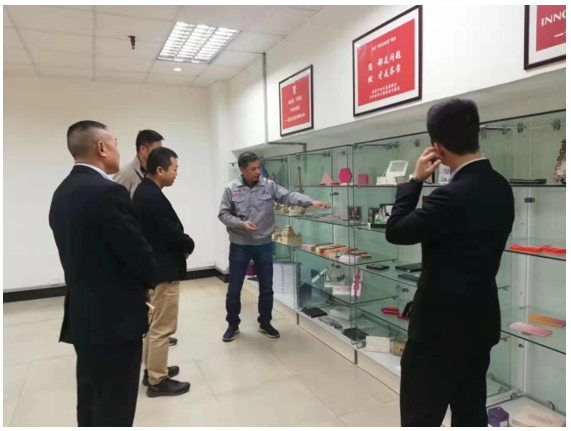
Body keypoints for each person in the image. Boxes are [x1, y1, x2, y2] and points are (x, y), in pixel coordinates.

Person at [385, 99, 515, 427]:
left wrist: (414, 181)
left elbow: (396, 231)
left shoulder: (449, 196)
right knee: (470, 412)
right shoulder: (501, 186)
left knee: (420, 417)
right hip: (480, 322)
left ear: (437, 148)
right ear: (476, 135)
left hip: (437, 332)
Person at [49, 121, 156, 427]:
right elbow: (136, 252)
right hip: (115, 321)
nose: (118, 150)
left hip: (83, 315)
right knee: (115, 405)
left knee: (91, 397)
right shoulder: (108, 192)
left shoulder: (62, 191)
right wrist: (149, 279)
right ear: (101, 148)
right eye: (116, 143)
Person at [218, 151, 331, 342]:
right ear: (242, 169)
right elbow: (223, 214)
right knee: (234, 288)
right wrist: (241, 224)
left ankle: (265, 322)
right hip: (240, 245)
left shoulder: (268, 185)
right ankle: (232, 324)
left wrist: (311, 201)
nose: (258, 171)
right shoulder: (231, 189)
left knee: (267, 287)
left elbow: (288, 196)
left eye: (258, 167)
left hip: (264, 244)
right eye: (253, 169)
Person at [132, 147, 195, 397]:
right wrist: (188, 244)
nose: (176, 173)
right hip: (163, 269)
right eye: (174, 169)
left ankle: (152, 370)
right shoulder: (150, 197)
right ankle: (158, 381)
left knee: (155, 323)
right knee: (163, 327)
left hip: (156, 266)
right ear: (160, 170)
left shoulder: (146, 191)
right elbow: (170, 231)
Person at [114, 130, 178, 348]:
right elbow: (116, 212)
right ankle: (151, 336)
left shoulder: (152, 175)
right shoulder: (125, 174)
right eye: (157, 149)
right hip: (137, 248)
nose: (161, 154)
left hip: (154, 248)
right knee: (146, 297)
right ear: (143, 149)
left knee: (157, 299)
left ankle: (156, 334)